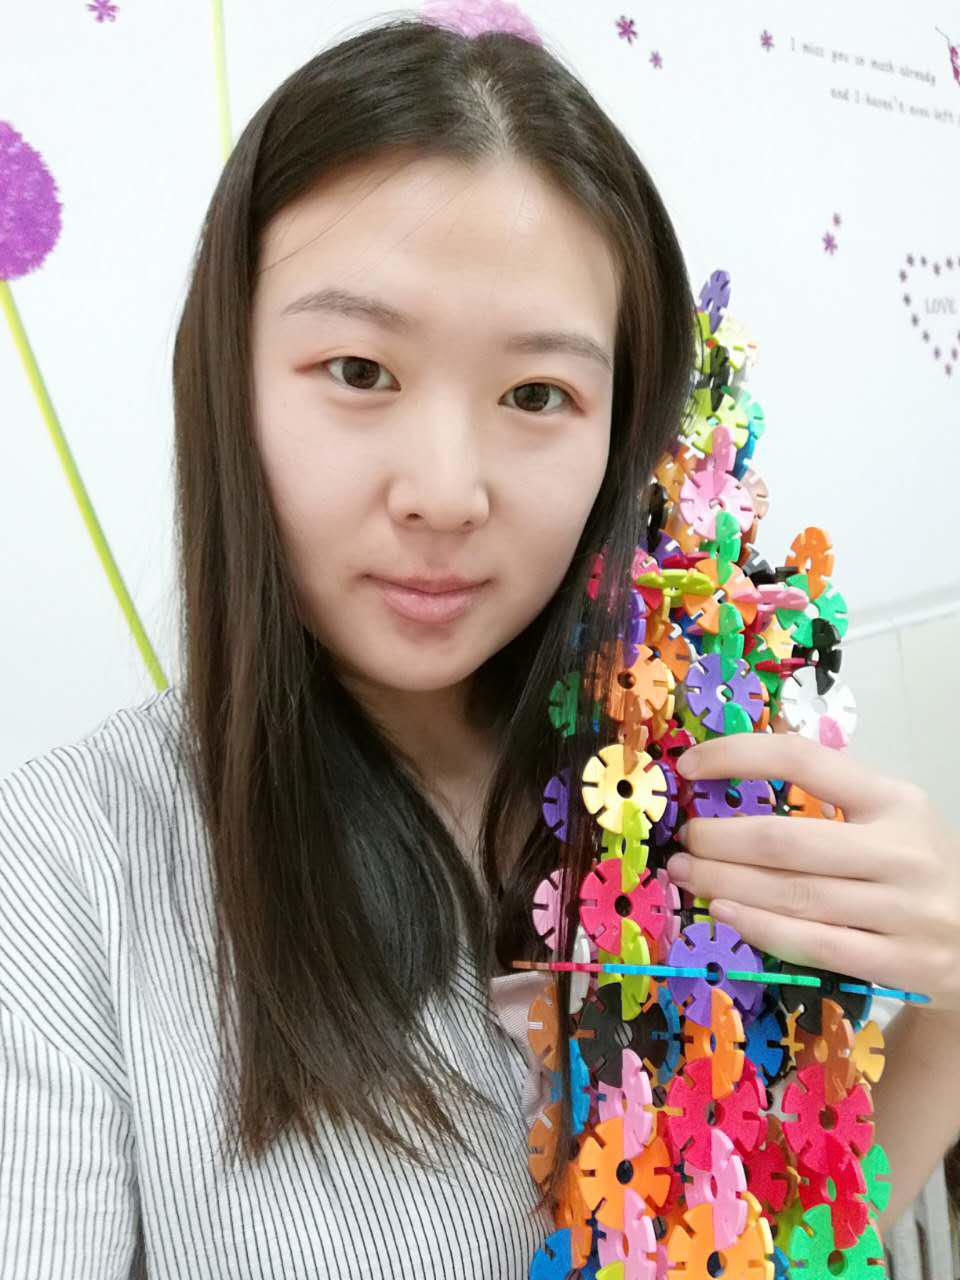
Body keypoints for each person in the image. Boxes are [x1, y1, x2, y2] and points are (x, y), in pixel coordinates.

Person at [0, 14, 958, 1280]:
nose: (446, 494)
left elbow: (788, 1235)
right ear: (227, 381)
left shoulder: (697, 769)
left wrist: (946, 1006)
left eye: (536, 394)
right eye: (359, 369)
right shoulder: (69, 864)